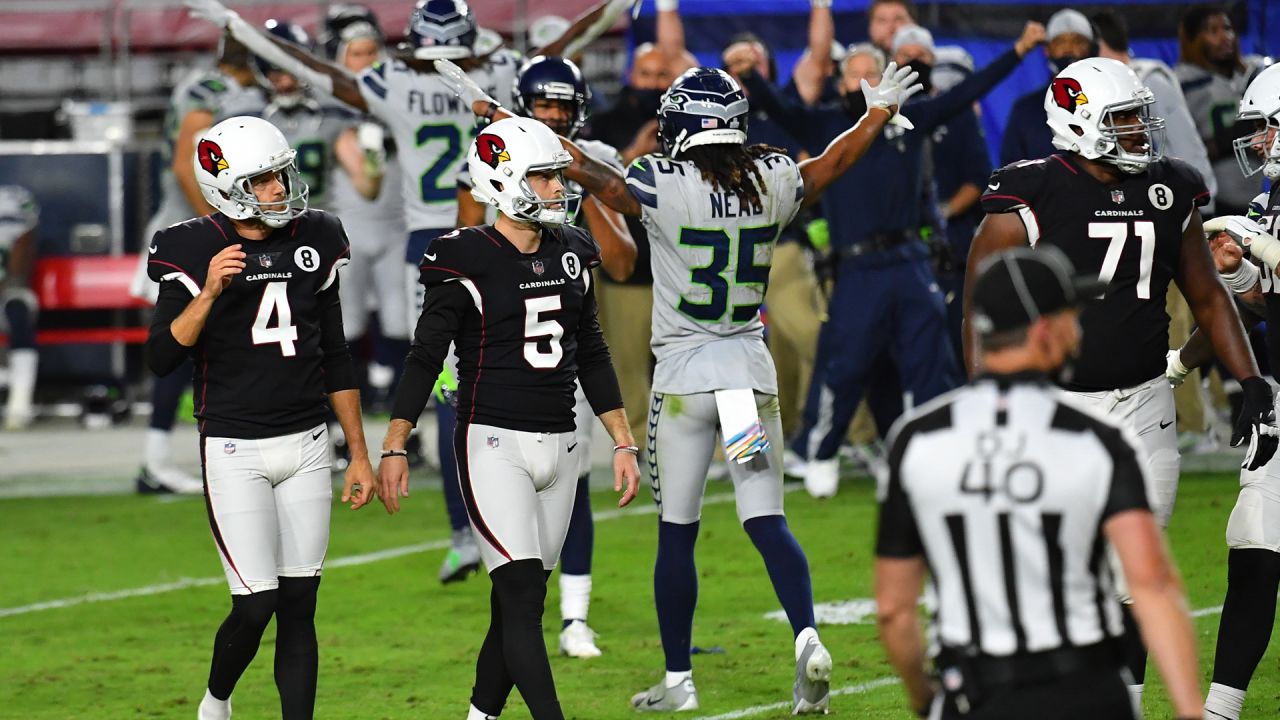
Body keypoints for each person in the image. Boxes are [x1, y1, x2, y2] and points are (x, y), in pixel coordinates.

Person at [435, 52, 921, 713]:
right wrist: (878, 113)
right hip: (746, 386)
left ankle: (678, 681)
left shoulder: (663, 181)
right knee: (766, 516)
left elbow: (585, 171)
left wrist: (506, 119)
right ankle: (807, 634)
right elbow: (830, 164)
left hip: (688, 386)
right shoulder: (773, 177)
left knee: (677, 531)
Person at [187, 0, 635, 579]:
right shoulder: (492, 77)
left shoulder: (394, 82)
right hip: (505, 240)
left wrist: (240, 27)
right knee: (518, 377)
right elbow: (560, 51)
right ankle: (501, 521)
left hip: (436, 242)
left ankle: (465, 532)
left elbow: (317, 72)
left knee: (453, 386)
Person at [965, 56, 1278, 709]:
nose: (1141, 131)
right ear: (1079, 124)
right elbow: (980, 305)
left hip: (1144, 402)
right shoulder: (1031, 190)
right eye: (1125, 119)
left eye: (1139, 116)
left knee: (1135, 571)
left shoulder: (1171, 187)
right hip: (1056, 403)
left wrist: (1248, 378)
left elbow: (1209, 296)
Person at [375, 116, 641, 720]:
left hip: (565, 443)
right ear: (501, 182)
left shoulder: (572, 249)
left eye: (555, 176)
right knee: (520, 598)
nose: (555, 188)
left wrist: (621, 441)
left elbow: (592, 352)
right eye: (543, 177)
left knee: (518, 604)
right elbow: (424, 355)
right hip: (492, 442)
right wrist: (395, 443)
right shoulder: (462, 255)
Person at [877, 245, 1204, 720]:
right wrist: (1191, 710)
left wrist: (925, 699)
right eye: (1071, 315)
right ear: (1044, 330)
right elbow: (1151, 585)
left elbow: (894, 608)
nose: (1078, 332)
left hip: (974, 693)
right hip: (1085, 692)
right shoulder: (1098, 440)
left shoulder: (917, 439)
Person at [741, 22, 1046, 498]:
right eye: (854, 74)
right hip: (857, 267)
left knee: (928, 362)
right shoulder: (824, 124)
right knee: (843, 364)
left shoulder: (910, 118)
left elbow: (968, 90)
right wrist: (751, 75)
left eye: (873, 72)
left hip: (910, 259)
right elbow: (778, 107)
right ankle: (819, 453)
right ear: (840, 83)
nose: (864, 81)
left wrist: (1020, 50)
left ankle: (928, 458)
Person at [144, 115, 376, 720]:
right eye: (263, 179)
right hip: (234, 446)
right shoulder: (191, 247)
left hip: (306, 443)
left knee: (301, 603)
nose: (279, 188)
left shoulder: (317, 235)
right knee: (255, 604)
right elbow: (162, 358)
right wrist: (208, 294)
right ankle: (216, 701)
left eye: (281, 174)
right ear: (226, 187)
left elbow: (336, 353)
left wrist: (358, 450)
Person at [455, 54, 638, 657]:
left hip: (567, 344)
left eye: (563, 110)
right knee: (506, 491)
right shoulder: (488, 155)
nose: (555, 118)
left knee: (572, 480)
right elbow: (462, 248)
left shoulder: (592, 162)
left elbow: (621, 262)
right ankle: (515, 617)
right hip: (501, 352)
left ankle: (575, 616)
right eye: (544, 110)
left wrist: (580, 183)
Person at [1164, 63, 1280, 720]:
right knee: (1254, 543)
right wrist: (1237, 279)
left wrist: (1262, 252)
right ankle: (1220, 712)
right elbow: (1260, 304)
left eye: (1267, 128)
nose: (1258, 143)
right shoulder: (1272, 202)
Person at [129, 32, 256, 494]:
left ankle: (227, 456)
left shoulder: (210, 86)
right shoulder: (211, 92)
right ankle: (156, 462)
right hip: (188, 236)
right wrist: (224, 227)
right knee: (177, 352)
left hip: (198, 232)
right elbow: (189, 165)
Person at [1091, 7, 1218, 449]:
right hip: (1144, 216)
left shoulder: (1147, 78)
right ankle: (1201, 416)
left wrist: (1191, 214)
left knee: (1177, 321)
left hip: (1170, 216)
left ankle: (1196, 424)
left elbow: (1182, 153)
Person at [316, 3, 411, 418]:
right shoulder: (330, 105)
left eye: (372, 52)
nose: (366, 61)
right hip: (349, 226)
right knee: (348, 324)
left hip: (398, 223)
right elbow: (366, 185)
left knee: (399, 321)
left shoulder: (399, 97)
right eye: (356, 54)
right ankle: (347, 416)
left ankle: (396, 408)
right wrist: (370, 151)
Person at [893, 28, 992, 369]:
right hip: (900, 253)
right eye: (905, 56)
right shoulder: (879, 119)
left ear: (933, 61)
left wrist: (942, 211)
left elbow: (980, 177)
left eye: (921, 56)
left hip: (952, 247)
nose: (914, 63)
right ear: (892, 61)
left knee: (956, 340)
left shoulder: (957, 113)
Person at [1174, 5, 1268, 216]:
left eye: (1227, 28)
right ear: (1193, 38)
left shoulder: (1252, 72)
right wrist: (1232, 136)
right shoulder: (1183, 83)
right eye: (1212, 30)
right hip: (1213, 199)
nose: (1225, 37)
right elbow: (1183, 150)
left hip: (1256, 194)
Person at [1000, 9, 1095, 167]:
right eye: (1060, 42)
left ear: (1091, 49)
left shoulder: (1107, 101)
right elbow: (1010, 174)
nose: (1069, 49)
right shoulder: (1025, 109)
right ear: (1047, 50)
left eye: (1078, 42)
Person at [0, 185, 39, 430]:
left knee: (18, 310)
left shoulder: (15, 201)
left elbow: (17, 272)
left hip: (9, 293)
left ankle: (20, 401)